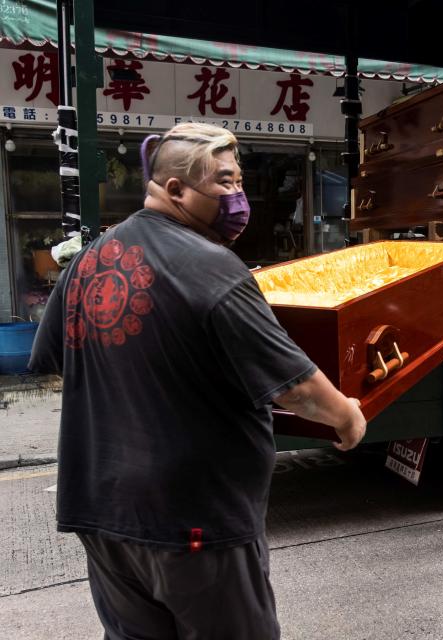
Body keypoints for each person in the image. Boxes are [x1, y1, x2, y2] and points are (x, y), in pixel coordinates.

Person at [29, 123, 366, 640]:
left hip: (101, 513)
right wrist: (346, 416)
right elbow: (296, 389)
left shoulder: (89, 262)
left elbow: (57, 360)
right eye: (225, 183)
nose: (238, 198)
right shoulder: (213, 268)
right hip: (192, 521)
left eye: (238, 182)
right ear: (175, 190)